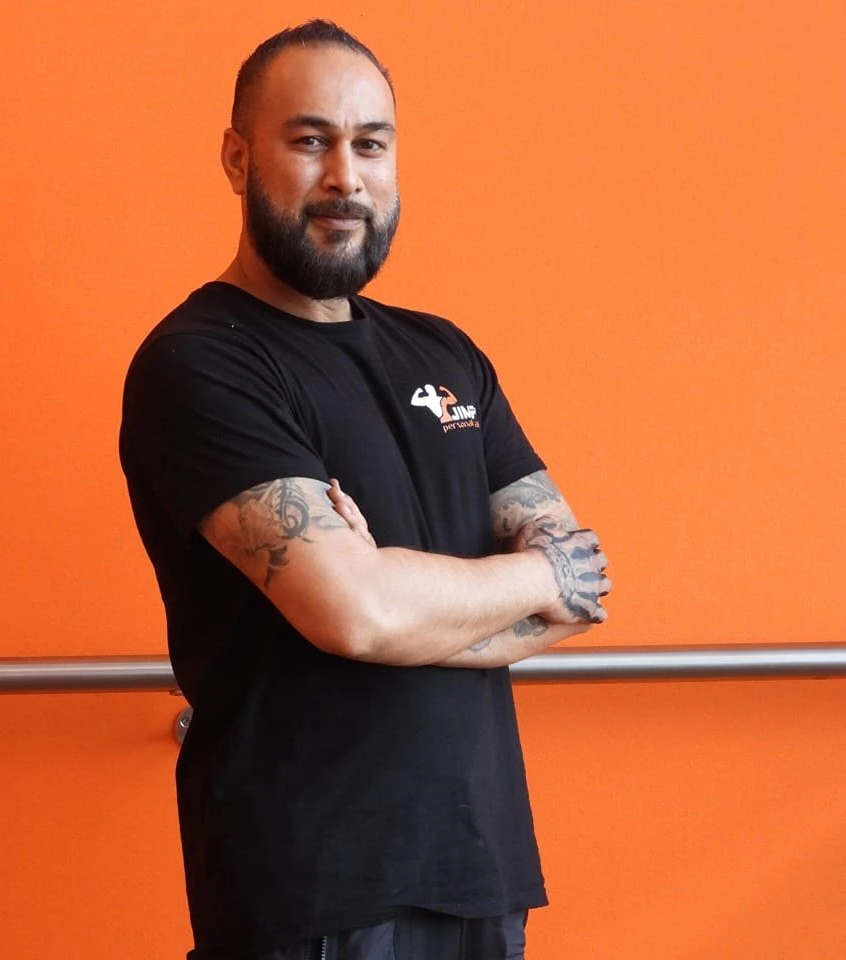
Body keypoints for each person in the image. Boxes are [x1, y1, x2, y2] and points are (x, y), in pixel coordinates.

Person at [119, 19, 610, 960]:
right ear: (237, 158)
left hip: (478, 872)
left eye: (370, 145)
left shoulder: (445, 353)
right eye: (310, 141)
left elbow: (580, 591)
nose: (345, 177)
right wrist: (517, 579)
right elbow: (355, 613)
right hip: (307, 893)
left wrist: (391, 592)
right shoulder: (202, 363)